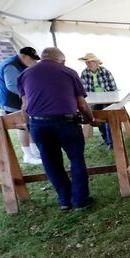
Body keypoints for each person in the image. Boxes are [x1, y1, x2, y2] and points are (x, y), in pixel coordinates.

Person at [18, 47, 102, 211]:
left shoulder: (24, 74)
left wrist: (29, 125)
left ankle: (64, 200)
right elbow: (82, 104)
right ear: (62, 60)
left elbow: (25, 106)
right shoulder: (68, 72)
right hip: (66, 123)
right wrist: (90, 120)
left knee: (51, 163)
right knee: (76, 160)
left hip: (38, 124)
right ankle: (80, 201)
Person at [0, 47, 42, 164]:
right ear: (23, 56)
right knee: (23, 126)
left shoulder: (20, 64)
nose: (34, 63)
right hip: (12, 102)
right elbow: (12, 86)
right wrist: (31, 94)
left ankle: (34, 151)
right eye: (32, 60)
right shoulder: (10, 66)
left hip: (23, 100)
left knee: (31, 125)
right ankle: (28, 155)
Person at [78, 53, 117, 149]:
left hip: (107, 99)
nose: (88, 64)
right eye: (87, 62)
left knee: (107, 117)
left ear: (96, 62)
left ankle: (111, 142)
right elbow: (83, 90)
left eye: (90, 61)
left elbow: (113, 88)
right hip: (93, 100)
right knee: (96, 117)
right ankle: (107, 140)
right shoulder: (84, 73)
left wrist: (106, 96)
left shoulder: (105, 71)